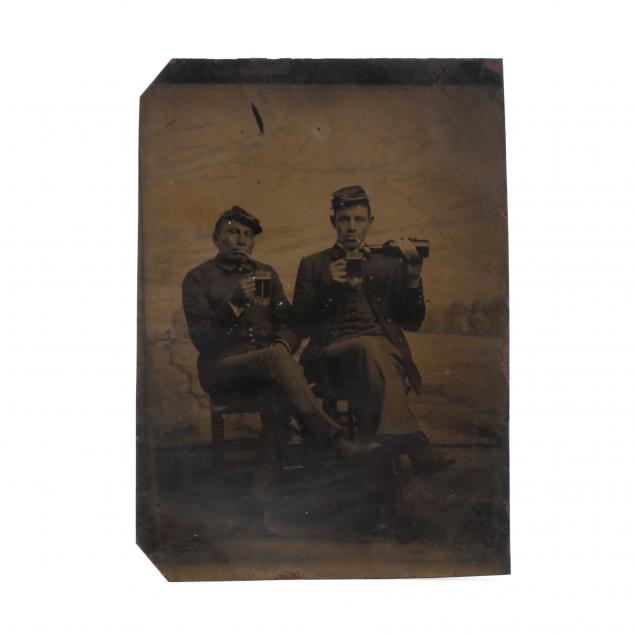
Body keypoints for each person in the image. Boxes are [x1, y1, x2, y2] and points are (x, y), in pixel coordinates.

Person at [181, 205, 378, 480]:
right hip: (221, 369)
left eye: (247, 235)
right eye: (232, 233)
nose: (241, 240)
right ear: (215, 239)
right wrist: (234, 303)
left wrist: (283, 345)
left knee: (280, 397)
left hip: (269, 370)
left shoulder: (266, 274)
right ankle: (334, 440)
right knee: (277, 363)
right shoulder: (198, 278)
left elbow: (290, 321)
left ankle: (265, 489)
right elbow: (202, 339)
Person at [293, 186, 451, 473]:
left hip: (381, 358)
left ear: (370, 222)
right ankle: (415, 446)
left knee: (375, 354)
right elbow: (301, 325)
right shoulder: (313, 265)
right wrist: (328, 285)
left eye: (359, 219)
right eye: (344, 219)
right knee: (371, 348)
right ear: (333, 223)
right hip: (331, 358)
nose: (351, 227)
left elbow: (412, 322)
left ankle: (378, 470)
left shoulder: (388, 264)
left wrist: (413, 276)